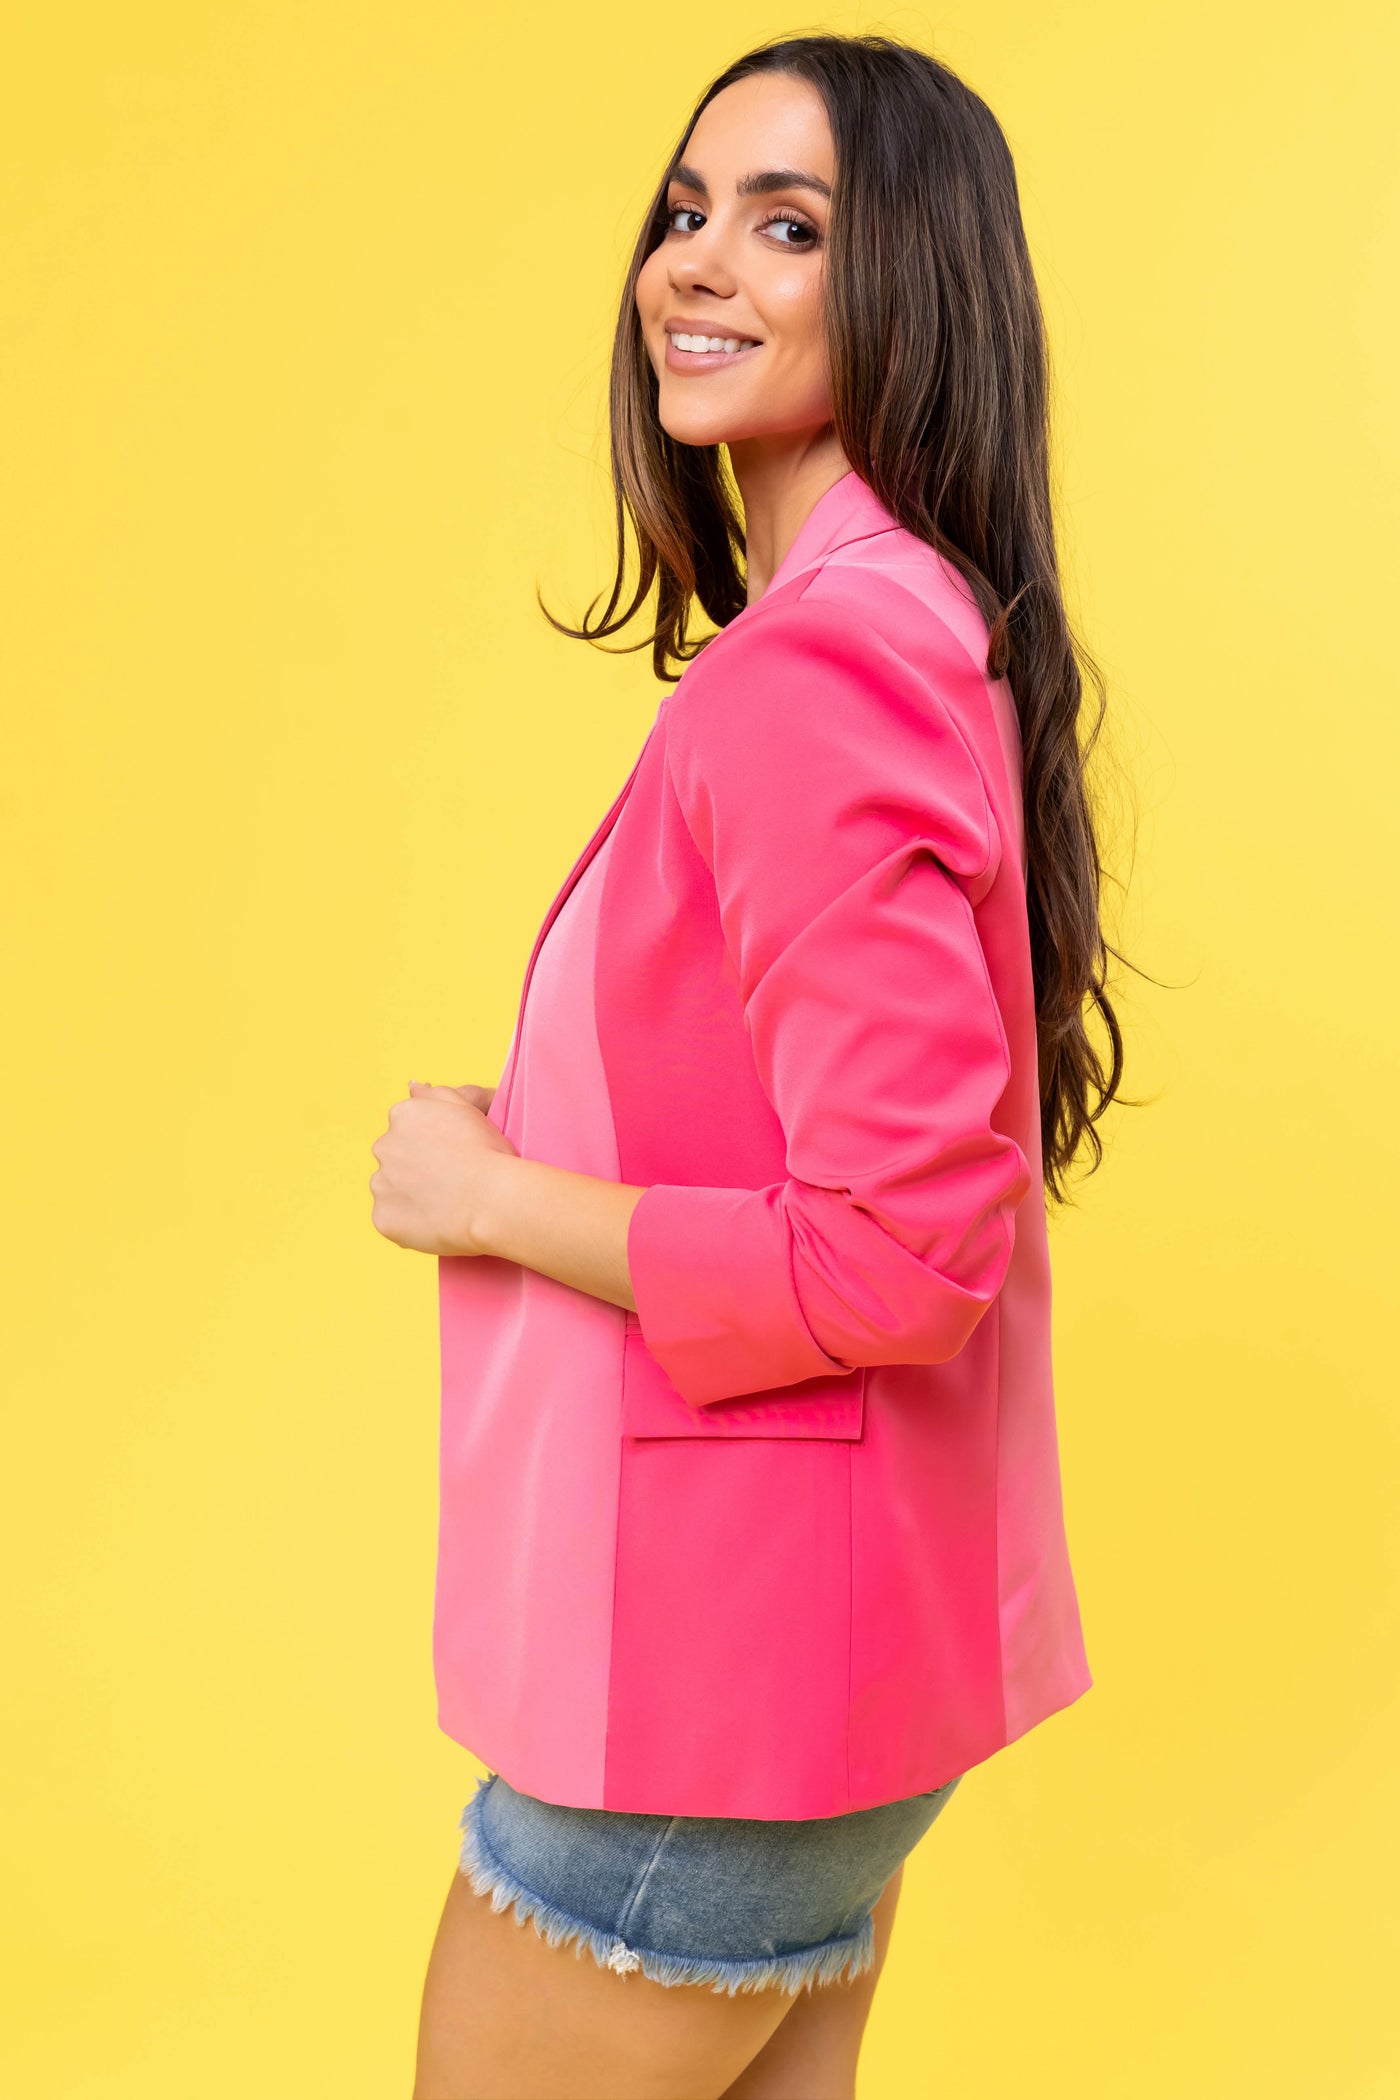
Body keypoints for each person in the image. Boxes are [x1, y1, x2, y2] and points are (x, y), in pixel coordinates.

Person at [370, 31, 1125, 2100]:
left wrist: (488, 1194)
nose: (695, 264)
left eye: (785, 224)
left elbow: (895, 1249)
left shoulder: (817, 668)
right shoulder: (905, 621)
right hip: (824, 1684)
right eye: (685, 210)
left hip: (710, 1701)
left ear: (909, 288)